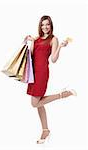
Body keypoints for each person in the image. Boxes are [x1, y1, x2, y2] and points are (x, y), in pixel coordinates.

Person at [24, 15, 77, 144]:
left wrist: (60, 47)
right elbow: (30, 55)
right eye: (43, 25)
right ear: (40, 26)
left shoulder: (54, 39)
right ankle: (45, 130)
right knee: (39, 102)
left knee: (34, 103)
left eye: (47, 24)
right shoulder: (36, 39)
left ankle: (63, 94)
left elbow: (53, 59)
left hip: (42, 73)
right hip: (33, 74)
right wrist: (28, 42)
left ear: (51, 25)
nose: (45, 27)